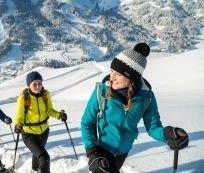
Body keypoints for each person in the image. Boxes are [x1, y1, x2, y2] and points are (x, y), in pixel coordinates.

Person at [81, 43, 189, 173]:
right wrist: (92, 151)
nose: (112, 78)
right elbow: (87, 121)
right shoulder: (101, 91)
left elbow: (153, 127)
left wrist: (169, 134)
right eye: (111, 71)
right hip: (102, 151)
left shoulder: (146, 97)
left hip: (123, 152)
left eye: (118, 74)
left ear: (131, 78)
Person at [14, 71, 67, 173]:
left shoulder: (45, 94)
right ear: (29, 85)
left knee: (38, 152)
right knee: (44, 157)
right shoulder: (23, 97)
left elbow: (49, 110)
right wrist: (18, 124)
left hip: (44, 131)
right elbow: (19, 115)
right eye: (34, 84)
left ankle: (35, 168)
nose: (38, 86)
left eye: (40, 83)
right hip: (29, 133)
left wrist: (59, 115)